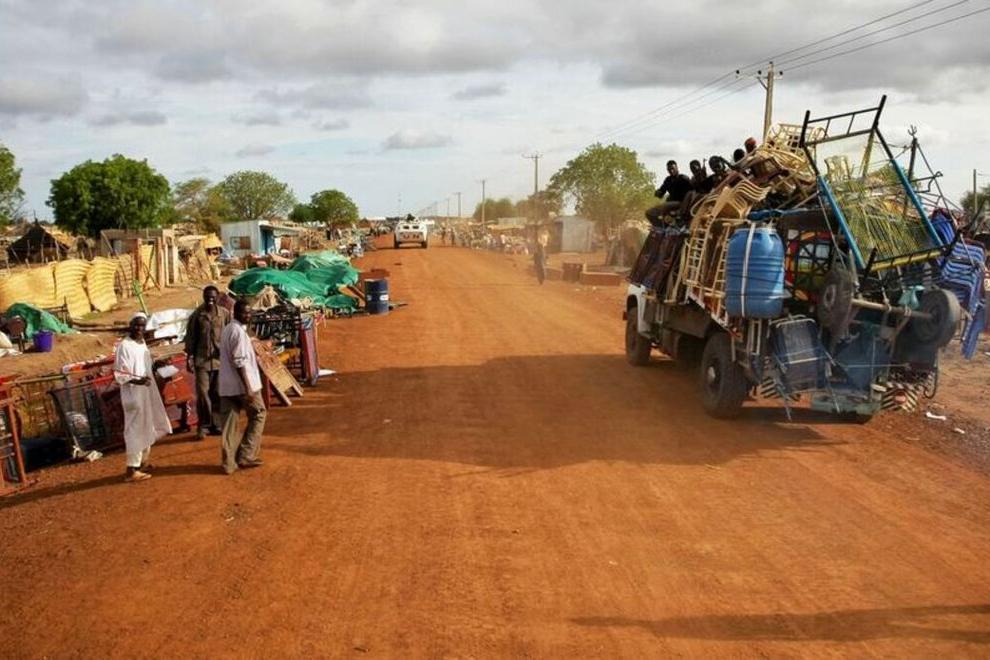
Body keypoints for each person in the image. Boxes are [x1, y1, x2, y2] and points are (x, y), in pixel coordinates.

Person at [114, 313, 172, 482]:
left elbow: (145, 366)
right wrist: (138, 381)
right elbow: (120, 373)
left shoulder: (141, 343)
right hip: (133, 394)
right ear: (130, 325)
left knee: (147, 425)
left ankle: (141, 463)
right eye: (137, 325)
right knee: (134, 429)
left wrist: (158, 366)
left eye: (142, 326)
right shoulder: (124, 346)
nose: (139, 329)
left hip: (145, 392)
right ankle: (131, 469)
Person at [218, 299, 267, 475]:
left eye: (249, 312)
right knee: (258, 414)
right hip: (242, 385)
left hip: (227, 386)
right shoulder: (238, 332)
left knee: (229, 425)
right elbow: (239, 362)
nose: (248, 315)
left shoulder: (228, 329)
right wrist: (248, 388)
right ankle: (246, 454)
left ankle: (228, 463)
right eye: (244, 312)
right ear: (235, 313)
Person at [185, 285, 232, 439]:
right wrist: (189, 357)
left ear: (217, 297)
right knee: (203, 393)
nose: (210, 299)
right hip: (202, 360)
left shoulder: (224, 314)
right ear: (203, 297)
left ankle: (217, 424)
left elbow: (231, 335)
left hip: (220, 361)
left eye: (213, 297)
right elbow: (191, 337)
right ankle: (204, 425)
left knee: (217, 392)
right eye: (207, 297)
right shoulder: (197, 315)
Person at [645, 160, 692, 226]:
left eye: (672, 168)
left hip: (681, 203)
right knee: (649, 213)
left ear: (677, 168)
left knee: (659, 209)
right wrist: (657, 193)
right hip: (671, 203)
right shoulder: (668, 180)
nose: (671, 171)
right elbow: (661, 192)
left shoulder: (684, 179)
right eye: (669, 169)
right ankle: (663, 226)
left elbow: (691, 192)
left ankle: (664, 226)